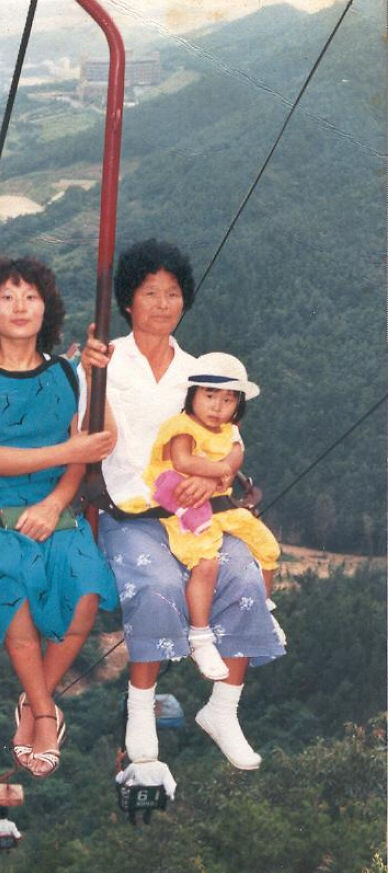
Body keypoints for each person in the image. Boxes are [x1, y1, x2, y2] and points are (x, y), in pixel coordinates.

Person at [80, 238, 285, 772]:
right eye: (151, 293)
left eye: (173, 294)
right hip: (132, 507)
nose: (163, 304)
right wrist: (90, 374)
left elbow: (225, 438)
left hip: (197, 507)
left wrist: (215, 477)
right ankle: (141, 707)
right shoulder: (105, 361)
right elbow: (89, 435)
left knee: (242, 573)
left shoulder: (199, 372)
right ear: (129, 300)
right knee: (157, 585)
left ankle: (224, 707)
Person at [0, 255, 118, 778]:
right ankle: (42, 712)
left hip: (51, 506)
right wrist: (68, 452)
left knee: (85, 590)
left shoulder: (64, 372)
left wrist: (56, 502)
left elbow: (86, 451)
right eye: (7, 297)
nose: (19, 307)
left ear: (46, 309)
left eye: (30, 297)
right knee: (8, 581)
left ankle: (34, 698)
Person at [135, 353, 281, 680]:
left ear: (237, 405)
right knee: (206, 562)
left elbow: (236, 451)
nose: (217, 406)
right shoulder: (182, 426)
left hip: (220, 503)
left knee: (268, 549)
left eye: (227, 400)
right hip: (181, 502)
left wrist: (222, 473)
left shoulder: (229, 430)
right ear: (192, 396)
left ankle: (261, 607)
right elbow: (183, 461)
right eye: (209, 396)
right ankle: (200, 634)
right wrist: (221, 472)